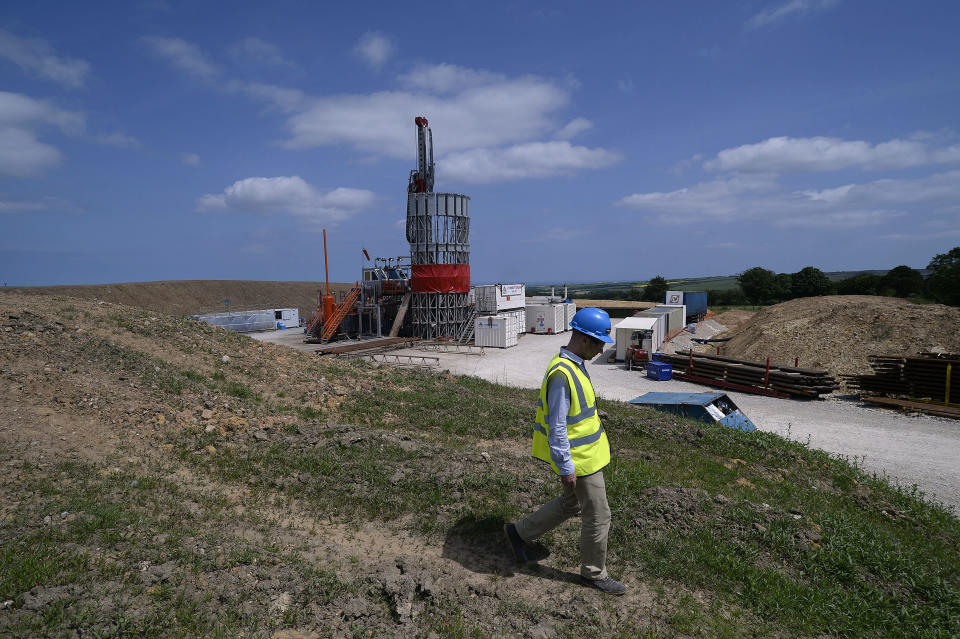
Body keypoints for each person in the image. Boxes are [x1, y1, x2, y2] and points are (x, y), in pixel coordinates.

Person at [504, 307, 626, 595]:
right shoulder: (562, 374)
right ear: (584, 340)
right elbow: (557, 425)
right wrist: (566, 467)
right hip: (580, 462)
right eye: (599, 343)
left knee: (572, 504)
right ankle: (593, 573)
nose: (601, 350)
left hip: (587, 455)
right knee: (599, 515)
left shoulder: (574, 366)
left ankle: (519, 533)